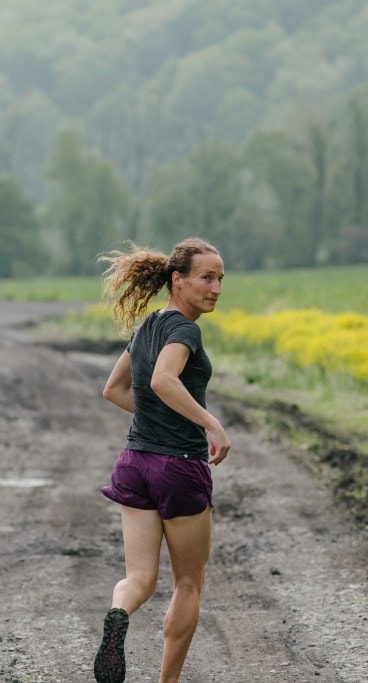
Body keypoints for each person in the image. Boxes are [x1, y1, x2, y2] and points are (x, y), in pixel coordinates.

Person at [93, 237, 231, 683]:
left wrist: (162, 418)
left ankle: (119, 612)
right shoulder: (184, 329)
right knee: (187, 583)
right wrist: (209, 424)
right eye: (206, 278)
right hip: (179, 470)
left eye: (220, 279)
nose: (216, 288)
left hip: (134, 463)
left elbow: (114, 390)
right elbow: (162, 380)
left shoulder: (148, 324)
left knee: (138, 580)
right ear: (178, 280)